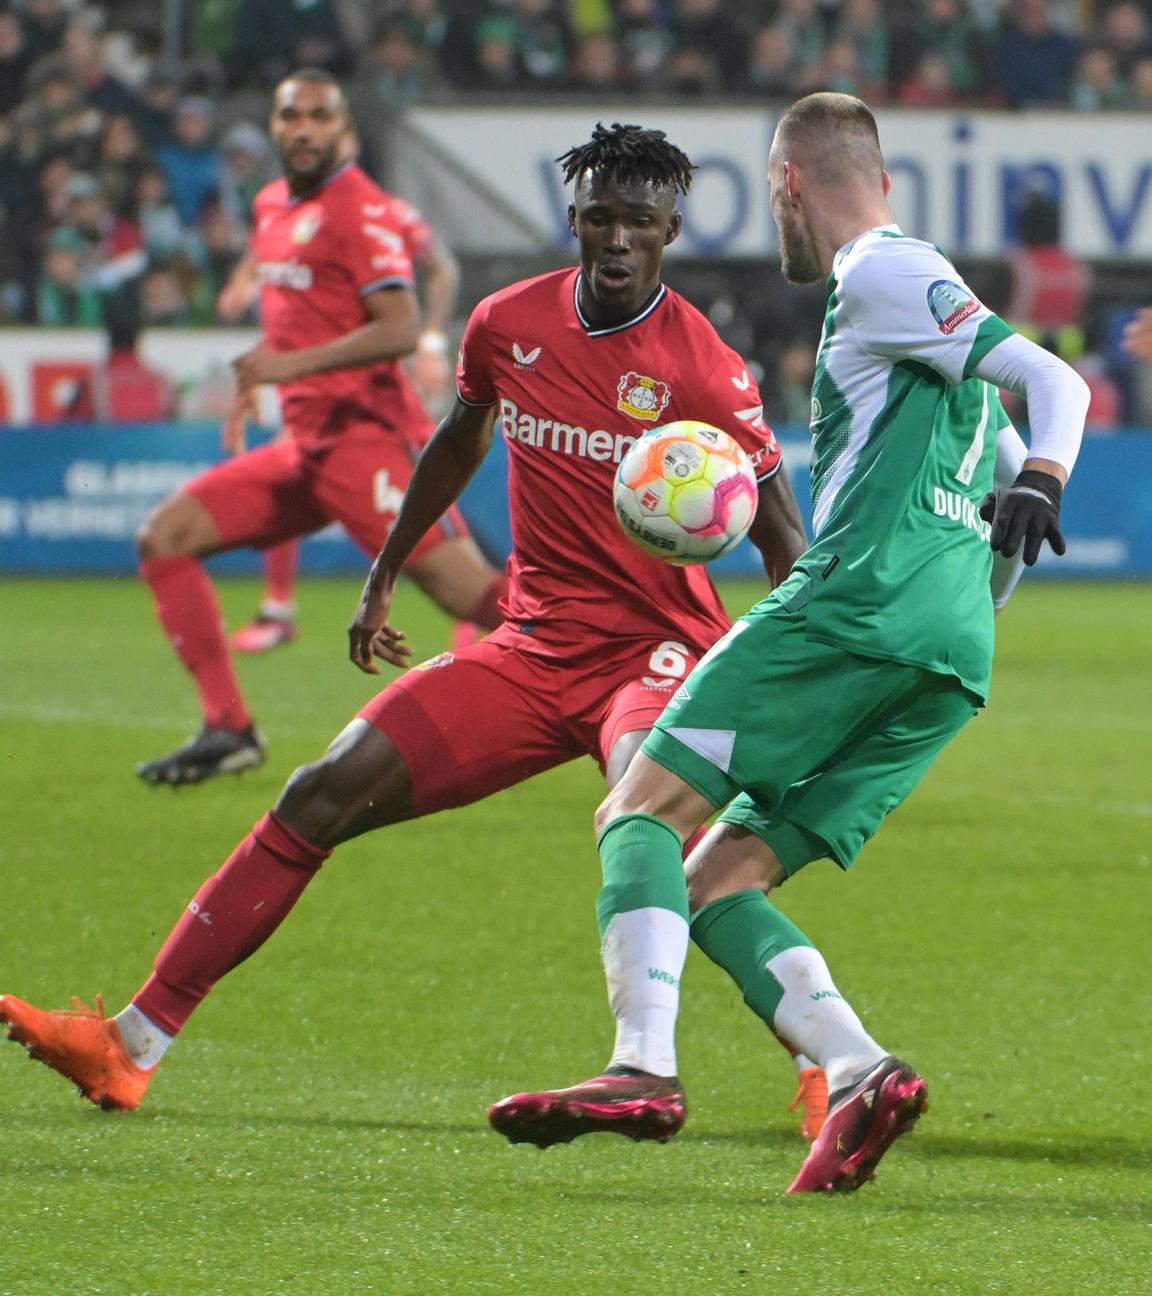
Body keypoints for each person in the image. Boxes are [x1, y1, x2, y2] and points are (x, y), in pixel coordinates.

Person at [0, 123, 808, 1125]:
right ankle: (130, 1044)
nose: (616, 239)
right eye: (600, 217)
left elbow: (781, 536)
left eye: (638, 223)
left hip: (656, 656)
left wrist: (781, 677)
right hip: (532, 643)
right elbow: (456, 445)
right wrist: (386, 572)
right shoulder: (506, 325)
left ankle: (823, 1062)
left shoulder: (706, 369)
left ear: (670, 230)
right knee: (319, 793)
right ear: (574, 219)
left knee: (666, 850)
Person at [487, 93, 1089, 1193]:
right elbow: (1008, 478)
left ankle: (641, 1068)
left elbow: (1059, 384)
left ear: (788, 183)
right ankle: (861, 1073)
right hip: (947, 659)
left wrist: (1046, 476)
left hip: (852, 609)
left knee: (638, 814)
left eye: (771, 199)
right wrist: (988, 580)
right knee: (721, 883)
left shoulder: (880, 273)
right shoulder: (924, 318)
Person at [131, 68, 506, 786]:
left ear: (344, 130)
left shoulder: (359, 210)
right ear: (274, 126)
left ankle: (614, 673)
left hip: (369, 441)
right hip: (304, 447)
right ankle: (227, 727)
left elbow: (397, 328)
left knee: (471, 597)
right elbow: (291, 313)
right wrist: (264, 379)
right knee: (164, 538)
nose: (302, 129)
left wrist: (286, 364)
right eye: (290, 115)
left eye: (318, 117)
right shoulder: (272, 203)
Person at [218, 129, 465, 656]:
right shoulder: (294, 211)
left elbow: (442, 266)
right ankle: (278, 606)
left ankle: (480, 608)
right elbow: (266, 251)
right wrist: (243, 281)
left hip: (376, 386)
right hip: (315, 384)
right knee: (290, 464)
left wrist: (431, 340)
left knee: (431, 481)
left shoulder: (385, 211)